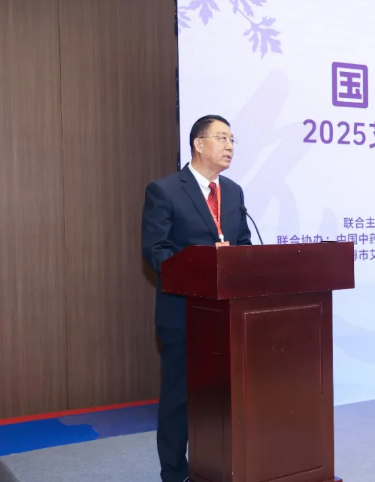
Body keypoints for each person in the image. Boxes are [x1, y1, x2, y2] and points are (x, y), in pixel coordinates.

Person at [141, 114, 252, 482]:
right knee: (180, 398)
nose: (230, 146)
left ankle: (217, 466)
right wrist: (203, 262)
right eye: (222, 138)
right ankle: (174, 473)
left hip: (225, 315)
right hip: (183, 314)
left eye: (232, 139)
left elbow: (243, 244)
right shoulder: (165, 190)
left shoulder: (234, 192)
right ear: (198, 144)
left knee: (221, 397)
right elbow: (155, 251)